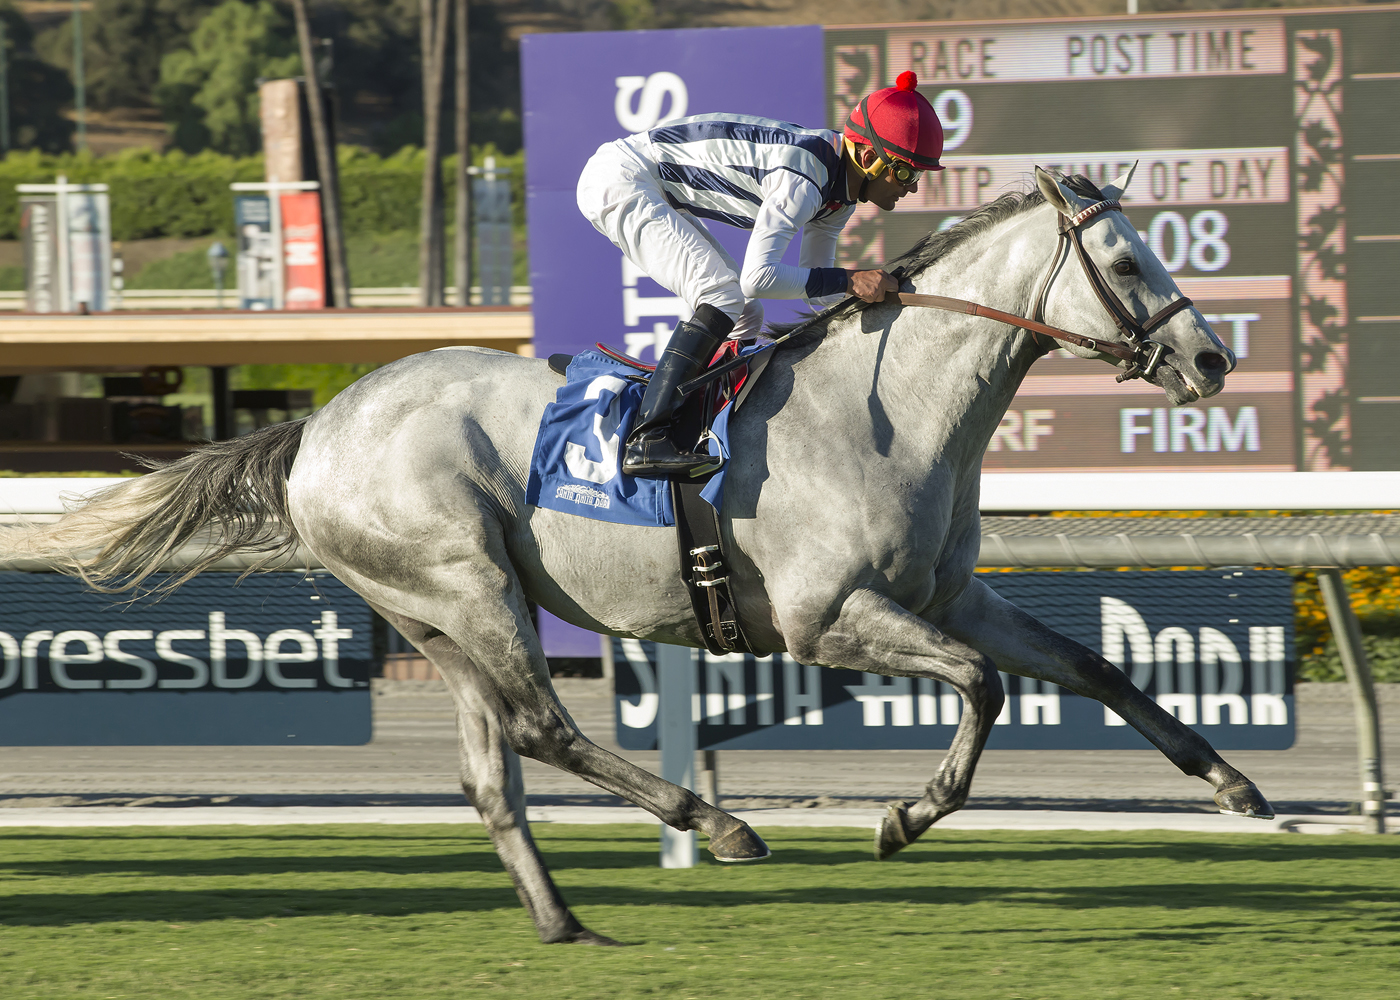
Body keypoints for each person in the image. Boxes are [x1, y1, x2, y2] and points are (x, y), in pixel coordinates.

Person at [576, 71, 945, 478]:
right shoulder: (807, 178)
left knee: (744, 313)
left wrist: (876, 293)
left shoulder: (839, 198)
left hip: (652, 185)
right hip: (621, 179)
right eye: (907, 172)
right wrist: (852, 280)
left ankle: (697, 427)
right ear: (869, 156)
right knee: (722, 294)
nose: (911, 187)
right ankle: (648, 439)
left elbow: (816, 293)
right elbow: (759, 276)